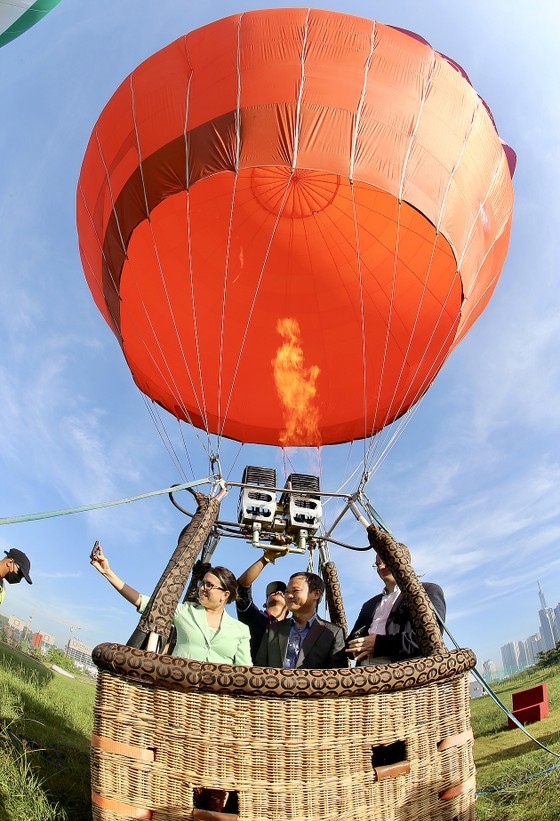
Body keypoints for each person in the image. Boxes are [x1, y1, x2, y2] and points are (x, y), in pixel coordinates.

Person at [90, 543, 251, 665]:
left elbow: (245, 672)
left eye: (209, 585)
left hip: (215, 704)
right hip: (177, 696)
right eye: (202, 583)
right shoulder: (185, 612)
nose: (202, 588)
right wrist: (107, 572)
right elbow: (144, 602)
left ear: (225, 594)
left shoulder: (241, 631)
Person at [346, 543, 446, 665]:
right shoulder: (369, 605)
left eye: (385, 561)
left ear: (404, 561)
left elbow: (431, 638)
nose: (381, 567)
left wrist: (378, 645)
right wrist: (355, 647)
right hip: (362, 673)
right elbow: (351, 642)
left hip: (401, 672)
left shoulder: (427, 591)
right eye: (377, 564)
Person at [255, 571, 348, 669]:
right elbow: (260, 668)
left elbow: (338, 677)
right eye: (287, 592)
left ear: (316, 594)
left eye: (295, 591)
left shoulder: (333, 633)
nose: (289, 596)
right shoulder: (272, 630)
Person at [236, 550, 289, 658]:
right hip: (251, 672)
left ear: (290, 606)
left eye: (284, 593)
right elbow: (242, 586)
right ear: (264, 604)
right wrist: (266, 558)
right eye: (272, 592)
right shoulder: (253, 616)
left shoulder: (294, 628)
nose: (278, 592)